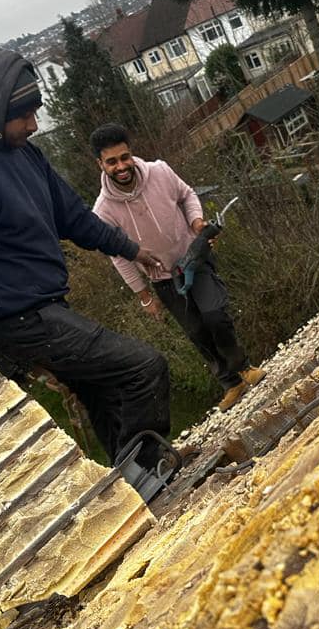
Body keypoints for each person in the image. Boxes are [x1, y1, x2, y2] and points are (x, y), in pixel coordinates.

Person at [0, 48, 170, 469]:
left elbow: (73, 217)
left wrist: (130, 249)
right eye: (23, 115)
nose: (33, 124)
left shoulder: (26, 155)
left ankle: (131, 484)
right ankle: (148, 472)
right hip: (17, 320)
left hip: (47, 307)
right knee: (144, 367)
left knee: (103, 389)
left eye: (35, 112)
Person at [90, 123, 265, 412]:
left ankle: (244, 367)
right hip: (163, 278)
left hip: (194, 259)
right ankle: (230, 383)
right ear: (101, 164)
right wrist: (144, 296)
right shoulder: (103, 211)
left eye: (125, 157)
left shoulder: (160, 172)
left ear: (131, 154)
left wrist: (197, 222)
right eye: (112, 162)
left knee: (214, 315)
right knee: (196, 331)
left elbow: (187, 195)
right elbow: (119, 257)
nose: (121, 166)